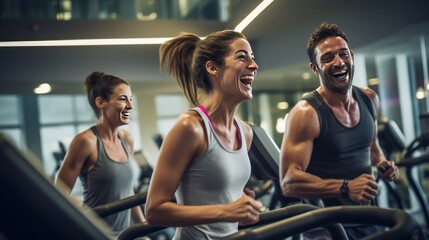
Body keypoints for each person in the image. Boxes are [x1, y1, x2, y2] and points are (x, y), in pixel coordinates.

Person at [279, 22, 400, 240]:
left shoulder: (369, 99)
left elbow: (371, 145)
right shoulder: (306, 113)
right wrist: (345, 187)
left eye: (343, 54)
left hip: (368, 217)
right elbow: (289, 182)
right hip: (327, 228)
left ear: (352, 56)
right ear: (315, 68)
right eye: (327, 58)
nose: (338, 62)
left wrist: (382, 163)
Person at [144, 30, 262, 239]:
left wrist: (243, 205)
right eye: (242, 57)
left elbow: (217, 193)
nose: (253, 65)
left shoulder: (245, 132)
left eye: (252, 58)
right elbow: (154, 210)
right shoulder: (191, 127)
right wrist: (226, 211)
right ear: (213, 67)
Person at [54, 71, 145, 236]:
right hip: (95, 232)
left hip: (125, 235)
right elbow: (59, 190)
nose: (130, 106)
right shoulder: (85, 142)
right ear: (101, 102)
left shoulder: (127, 139)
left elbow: (127, 192)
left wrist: (143, 228)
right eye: (123, 99)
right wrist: (86, 211)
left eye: (131, 99)